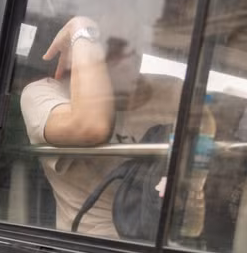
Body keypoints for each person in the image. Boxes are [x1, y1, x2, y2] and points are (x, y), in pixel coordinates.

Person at [20, 17, 184, 237]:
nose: (129, 55)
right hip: (91, 249)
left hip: (165, 239)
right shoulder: (42, 94)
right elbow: (92, 127)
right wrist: (81, 28)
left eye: (132, 44)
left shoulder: (170, 91)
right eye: (112, 45)